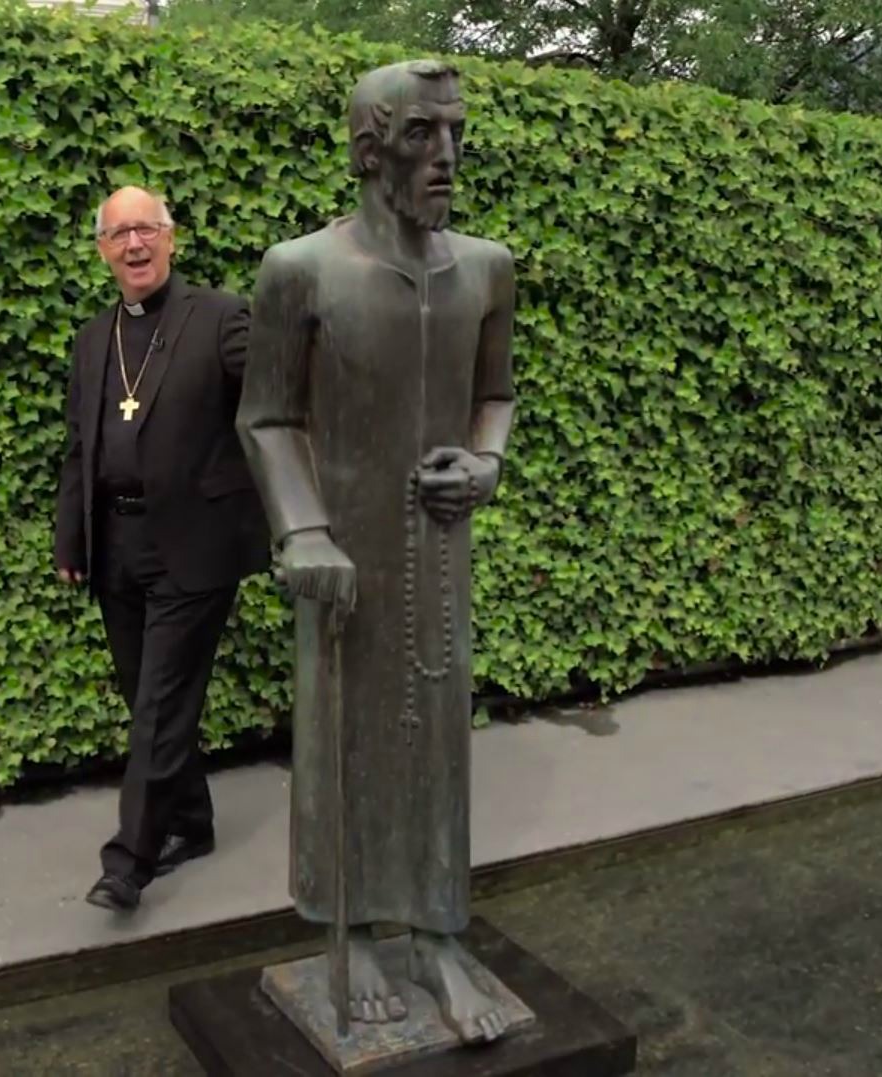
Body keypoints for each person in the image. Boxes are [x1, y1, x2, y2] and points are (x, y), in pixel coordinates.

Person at [237, 60, 518, 1043]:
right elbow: (267, 416)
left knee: (437, 737)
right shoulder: (299, 271)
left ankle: (440, 934)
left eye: (454, 134)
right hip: (343, 552)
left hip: (439, 549)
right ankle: (346, 933)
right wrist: (303, 530)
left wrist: (485, 465)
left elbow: (497, 396)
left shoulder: (487, 267)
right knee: (341, 741)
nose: (445, 156)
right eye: (420, 137)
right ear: (368, 150)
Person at [53, 185, 270, 911]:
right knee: (144, 693)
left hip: (194, 543)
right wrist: (71, 535)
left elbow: (275, 399)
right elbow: (81, 445)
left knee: (158, 704)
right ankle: (192, 822)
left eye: (146, 228)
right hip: (115, 543)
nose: (134, 244)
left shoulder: (220, 316)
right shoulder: (93, 338)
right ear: (102, 251)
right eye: (118, 234)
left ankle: (128, 863)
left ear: (171, 238)